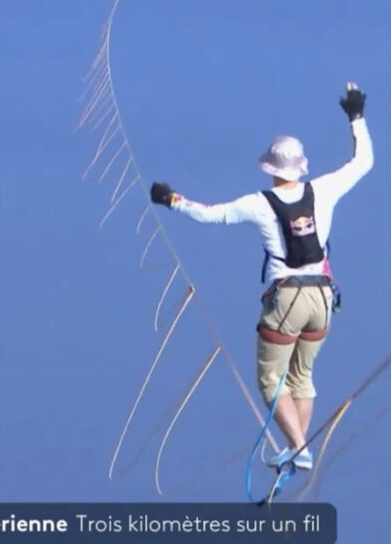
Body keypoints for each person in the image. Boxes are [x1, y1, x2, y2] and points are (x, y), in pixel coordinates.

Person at [149, 82, 373, 470]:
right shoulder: (324, 189)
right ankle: (296, 449)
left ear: (269, 169)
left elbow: (210, 214)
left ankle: (299, 448)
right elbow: (363, 161)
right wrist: (356, 117)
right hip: (322, 297)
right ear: (301, 166)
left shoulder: (258, 204)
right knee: (301, 377)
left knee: (272, 381)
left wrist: (172, 200)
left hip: (287, 298)